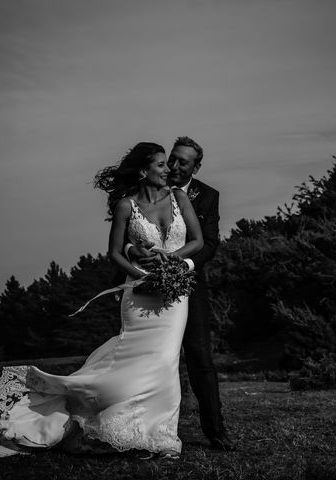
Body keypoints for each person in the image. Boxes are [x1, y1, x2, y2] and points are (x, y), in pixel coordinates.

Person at [0, 142, 203, 460]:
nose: (168, 169)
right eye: (160, 164)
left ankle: (163, 438)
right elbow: (114, 252)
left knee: (166, 362)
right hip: (139, 297)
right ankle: (106, 420)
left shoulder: (180, 197)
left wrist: (170, 262)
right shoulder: (127, 206)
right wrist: (141, 277)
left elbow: (197, 240)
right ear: (144, 170)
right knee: (135, 363)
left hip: (173, 296)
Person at [127, 137, 236, 451]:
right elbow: (125, 233)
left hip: (190, 285)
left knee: (200, 356)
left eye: (182, 162)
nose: (174, 166)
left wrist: (182, 266)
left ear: (196, 168)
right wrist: (135, 252)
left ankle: (216, 431)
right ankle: (138, 427)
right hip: (144, 285)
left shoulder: (208, 196)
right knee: (147, 357)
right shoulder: (147, 189)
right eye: (171, 159)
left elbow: (210, 243)